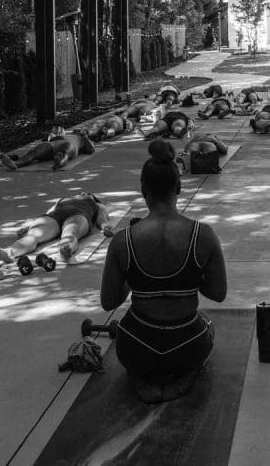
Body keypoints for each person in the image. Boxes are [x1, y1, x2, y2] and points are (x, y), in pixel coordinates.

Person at [101, 141, 228, 403]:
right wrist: (189, 275)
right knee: (206, 326)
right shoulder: (202, 235)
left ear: (143, 189)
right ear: (179, 188)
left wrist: (132, 277)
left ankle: (141, 376)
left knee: (131, 338)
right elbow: (218, 293)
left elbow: (109, 301)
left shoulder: (123, 240)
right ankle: (185, 373)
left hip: (137, 345)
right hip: (187, 345)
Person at [0, 192, 111, 265]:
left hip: (79, 215)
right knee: (33, 235)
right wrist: (29, 226)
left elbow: (102, 217)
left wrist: (105, 227)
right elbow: (48, 213)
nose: (84, 193)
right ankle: (8, 253)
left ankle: (65, 251)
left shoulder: (96, 203)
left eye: (89, 193)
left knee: (70, 233)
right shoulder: (63, 199)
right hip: (54, 216)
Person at [0, 126, 93, 170]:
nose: (78, 130)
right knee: (34, 152)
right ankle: (15, 164)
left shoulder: (82, 139)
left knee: (63, 152)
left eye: (84, 130)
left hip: (69, 145)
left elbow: (91, 150)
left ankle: (58, 162)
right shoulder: (64, 134)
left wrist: (84, 136)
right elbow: (48, 137)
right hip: (53, 144)